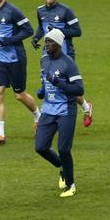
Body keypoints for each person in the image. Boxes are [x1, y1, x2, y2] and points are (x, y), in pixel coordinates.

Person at [0, 0, 40, 146]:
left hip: (15, 58)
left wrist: (11, 40)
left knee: (19, 95)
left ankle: (39, 117)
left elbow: (28, 30)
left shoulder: (13, 11)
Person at [31, 0, 94, 127]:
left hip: (66, 54)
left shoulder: (66, 11)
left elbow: (77, 31)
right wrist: (36, 37)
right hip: (48, 53)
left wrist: (58, 31)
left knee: (66, 87)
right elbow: (41, 27)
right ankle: (50, 119)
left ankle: (84, 107)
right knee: (50, 84)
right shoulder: (40, 11)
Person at [34, 29, 85, 198]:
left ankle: (70, 185)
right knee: (40, 147)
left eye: (50, 42)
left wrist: (58, 82)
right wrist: (42, 90)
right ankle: (61, 167)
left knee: (64, 149)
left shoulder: (68, 63)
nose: (47, 45)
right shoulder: (44, 60)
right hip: (48, 109)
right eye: (46, 42)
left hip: (66, 110)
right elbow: (45, 79)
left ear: (59, 44)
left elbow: (79, 89)